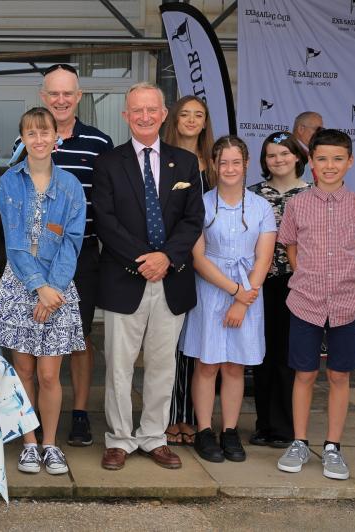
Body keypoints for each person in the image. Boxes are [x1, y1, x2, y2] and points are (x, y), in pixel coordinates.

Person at [91, 81, 204, 471]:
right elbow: (105, 222)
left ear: (163, 114)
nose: (144, 116)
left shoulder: (186, 163)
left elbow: (193, 221)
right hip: (126, 278)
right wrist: (146, 259)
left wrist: (166, 259)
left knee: (162, 365)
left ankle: (154, 437)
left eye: (151, 110)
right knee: (119, 367)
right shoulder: (107, 162)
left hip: (170, 280)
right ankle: (120, 438)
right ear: (126, 115)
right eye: (136, 110)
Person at [13, 63, 113, 447]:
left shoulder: (99, 143)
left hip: (80, 252)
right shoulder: (23, 142)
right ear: (43, 97)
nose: (60, 99)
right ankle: (34, 416)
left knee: (79, 338)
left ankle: (81, 413)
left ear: (78, 96)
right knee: (32, 340)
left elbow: (102, 204)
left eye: (67, 93)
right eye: (53, 93)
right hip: (32, 259)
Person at [0, 107, 86, 476]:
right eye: (31, 133)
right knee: (24, 371)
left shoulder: (70, 186)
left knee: (49, 375)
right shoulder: (9, 182)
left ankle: (51, 443)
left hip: (59, 288)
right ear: (23, 139)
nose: (39, 139)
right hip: (19, 284)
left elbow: (73, 242)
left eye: (45, 132)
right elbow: (13, 244)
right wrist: (38, 288)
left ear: (56, 137)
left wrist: (53, 290)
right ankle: (29, 443)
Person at [276, 129, 355, 480]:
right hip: (305, 301)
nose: (329, 165)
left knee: (340, 374)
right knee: (304, 373)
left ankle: (333, 446)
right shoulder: (298, 204)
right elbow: (290, 247)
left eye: (337, 158)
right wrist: (309, 277)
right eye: (322, 159)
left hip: (345, 302)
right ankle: (299, 441)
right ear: (311, 162)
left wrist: (342, 274)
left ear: (350, 161)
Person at [181, 135, 276, 463]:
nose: (230, 168)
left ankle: (231, 430)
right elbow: (199, 257)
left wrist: (242, 298)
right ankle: (205, 431)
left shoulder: (261, 206)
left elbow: (263, 258)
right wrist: (233, 291)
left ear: (246, 164)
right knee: (207, 364)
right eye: (224, 162)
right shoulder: (202, 203)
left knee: (235, 366)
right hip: (211, 289)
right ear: (214, 166)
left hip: (250, 290)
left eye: (237, 162)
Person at [247, 131, 310, 448]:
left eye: (284, 154)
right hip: (263, 282)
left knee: (290, 357)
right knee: (262, 356)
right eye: (272, 155)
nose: (279, 160)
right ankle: (264, 425)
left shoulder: (312, 194)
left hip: (300, 285)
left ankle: (287, 428)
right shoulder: (254, 195)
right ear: (264, 161)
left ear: (297, 156)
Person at [161, 95, 215, 446]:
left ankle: (195, 417)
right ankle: (170, 415)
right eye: (185, 114)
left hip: (212, 264)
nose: (192, 120)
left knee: (201, 347)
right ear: (174, 119)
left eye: (199, 115)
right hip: (175, 260)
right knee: (172, 348)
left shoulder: (214, 163)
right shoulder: (161, 157)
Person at [292, 111, 323, 183]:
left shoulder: (312, 153)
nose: (320, 133)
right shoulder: (289, 152)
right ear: (301, 129)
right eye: (317, 129)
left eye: (322, 130)